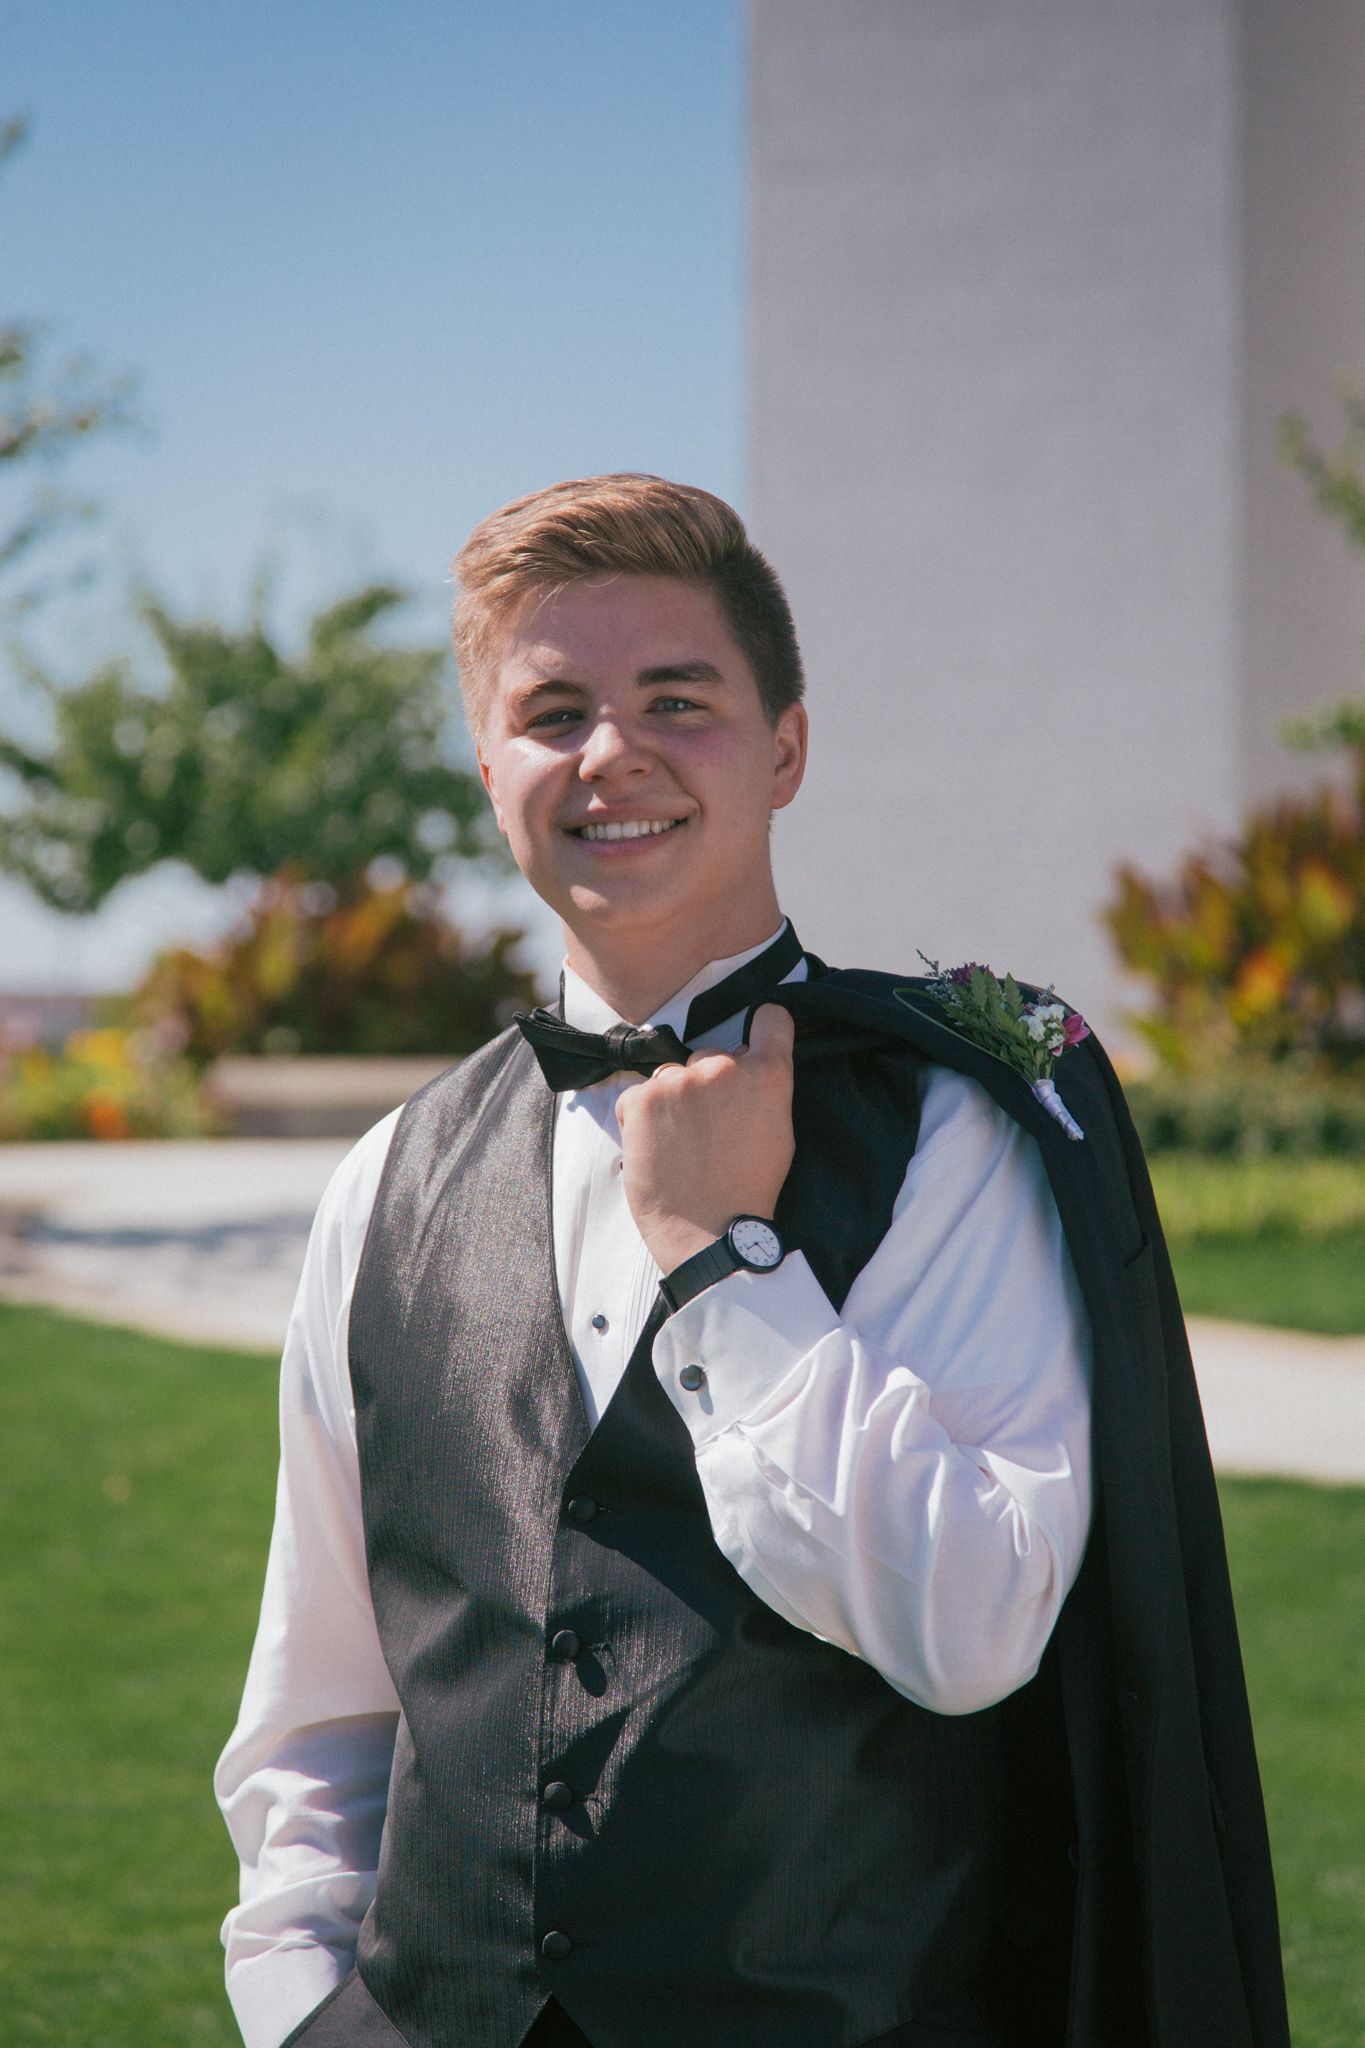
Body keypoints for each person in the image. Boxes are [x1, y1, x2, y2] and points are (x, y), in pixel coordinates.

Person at [215, 475, 1289, 2048]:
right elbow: (319, 1711)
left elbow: (969, 1629)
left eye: (676, 699)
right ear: (484, 766)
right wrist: (304, 2006)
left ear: (785, 744)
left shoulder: (948, 1130)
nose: (611, 753)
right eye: (552, 710)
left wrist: (721, 1264)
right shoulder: (386, 1182)